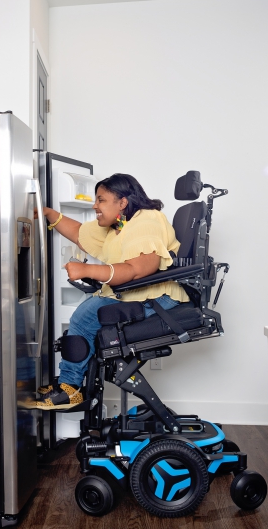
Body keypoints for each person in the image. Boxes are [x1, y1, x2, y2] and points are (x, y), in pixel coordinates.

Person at [36, 173, 188, 410]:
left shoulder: (146, 221)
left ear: (122, 202)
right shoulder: (121, 224)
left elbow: (139, 269)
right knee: (86, 315)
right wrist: (48, 214)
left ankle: (70, 388)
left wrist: (88, 269)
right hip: (139, 292)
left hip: (157, 297)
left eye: (101, 200)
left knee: (84, 319)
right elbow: (79, 233)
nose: (95, 206)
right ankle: (69, 381)